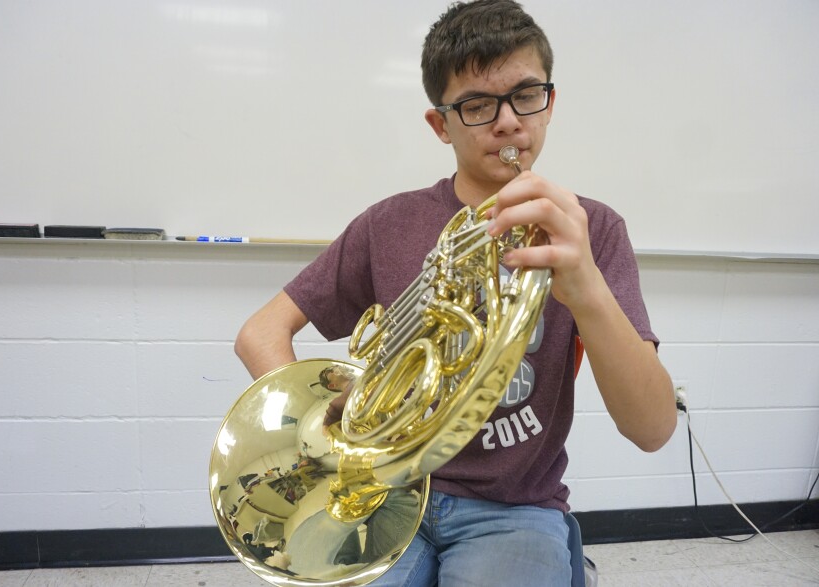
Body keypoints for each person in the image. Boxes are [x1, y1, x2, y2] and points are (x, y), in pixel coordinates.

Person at [235, 1, 677, 585]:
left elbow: (652, 431)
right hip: (385, 495)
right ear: (440, 124)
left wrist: (586, 284)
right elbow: (259, 334)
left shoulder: (592, 228)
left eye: (526, 95)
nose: (508, 122)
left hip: (515, 507)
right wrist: (326, 436)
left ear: (550, 102)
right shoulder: (389, 223)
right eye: (476, 106)